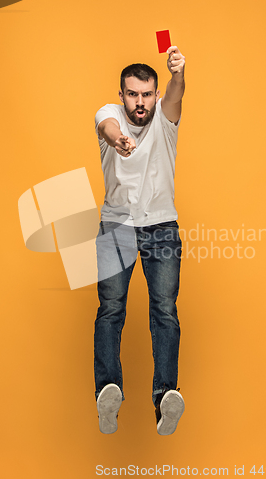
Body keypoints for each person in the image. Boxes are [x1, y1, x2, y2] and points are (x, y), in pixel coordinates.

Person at [94, 46, 186, 435]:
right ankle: (107, 392)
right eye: (133, 94)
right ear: (122, 95)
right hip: (117, 226)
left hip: (162, 226)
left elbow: (177, 93)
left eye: (147, 94)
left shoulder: (165, 118)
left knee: (164, 312)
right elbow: (107, 128)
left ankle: (165, 397)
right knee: (111, 310)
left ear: (154, 95)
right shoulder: (108, 115)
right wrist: (119, 142)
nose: (140, 102)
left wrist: (178, 73)